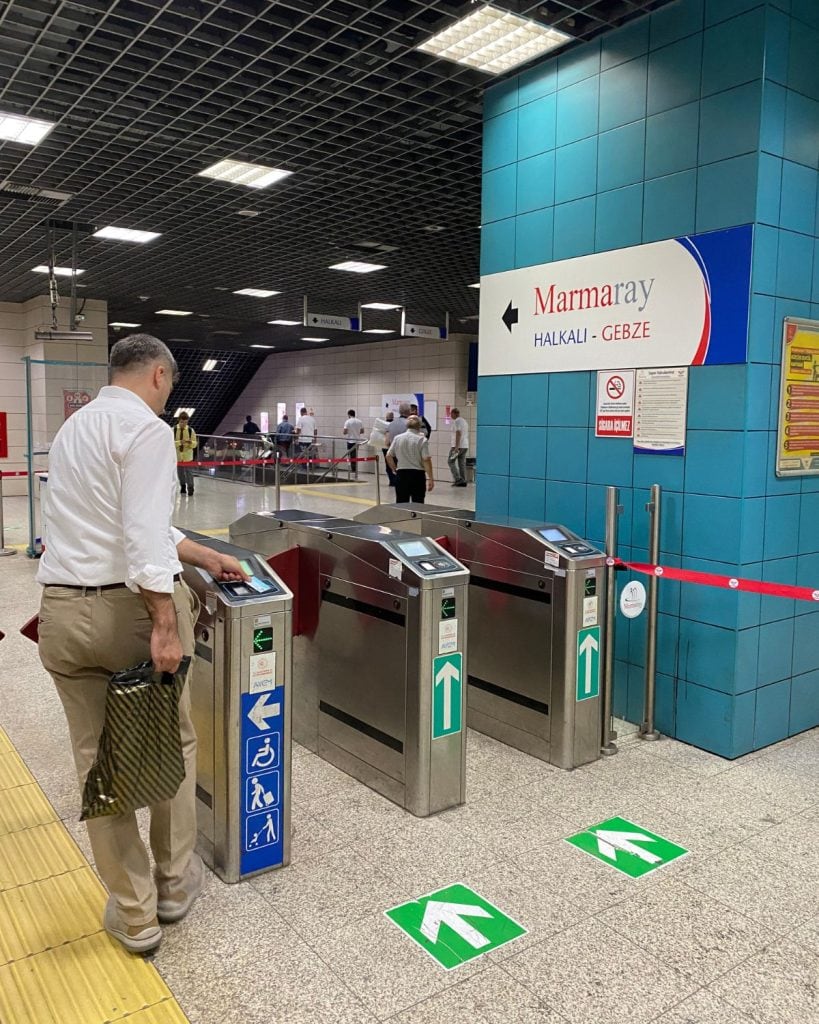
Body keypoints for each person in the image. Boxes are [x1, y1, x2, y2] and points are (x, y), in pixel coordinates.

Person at [36, 333, 248, 955]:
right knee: (170, 741)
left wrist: (201, 552)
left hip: (62, 614)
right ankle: (174, 886)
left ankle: (135, 916)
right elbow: (140, 539)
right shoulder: (148, 431)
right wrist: (164, 620)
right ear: (159, 375)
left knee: (95, 760)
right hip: (128, 613)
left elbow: (126, 520)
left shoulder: (74, 429)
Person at [386, 415, 434, 503]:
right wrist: (431, 478)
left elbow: (388, 455)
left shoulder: (398, 438)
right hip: (417, 475)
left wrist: (394, 468)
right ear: (419, 426)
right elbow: (426, 459)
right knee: (418, 503)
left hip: (402, 474)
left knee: (402, 504)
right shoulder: (422, 440)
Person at [385, 403, 409, 488]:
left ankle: (394, 482)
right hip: (406, 455)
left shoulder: (391, 424)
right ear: (409, 411)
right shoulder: (410, 424)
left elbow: (387, 442)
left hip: (394, 452)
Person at [174, 410, 197, 496]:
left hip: (188, 456)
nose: (183, 424)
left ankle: (190, 487)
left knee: (189, 473)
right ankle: (182, 486)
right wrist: (180, 442)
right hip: (178, 457)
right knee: (180, 473)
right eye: (182, 422)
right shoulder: (174, 430)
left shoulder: (191, 430)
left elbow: (195, 444)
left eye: (185, 422)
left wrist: (190, 443)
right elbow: (170, 443)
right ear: (179, 420)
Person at [448, 407, 469, 487]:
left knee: (450, 461)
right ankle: (463, 480)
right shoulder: (464, 421)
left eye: (451, 414)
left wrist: (456, 447)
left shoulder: (457, 421)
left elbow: (458, 433)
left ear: (454, 413)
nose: (451, 416)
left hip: (457, 447)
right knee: (461, 463)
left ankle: (458, 479)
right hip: (465, 446)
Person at [343, 409, 364, 476]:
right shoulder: (359, 421)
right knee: (355, 455)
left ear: (349, 414)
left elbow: (344, 432)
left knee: (350, 455)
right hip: (357, 441)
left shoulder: (347, 421)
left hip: (350, 441)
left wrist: (349, 432)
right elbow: (362, 431)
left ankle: (352, 469)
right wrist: (357, 432)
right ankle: (354, 469)